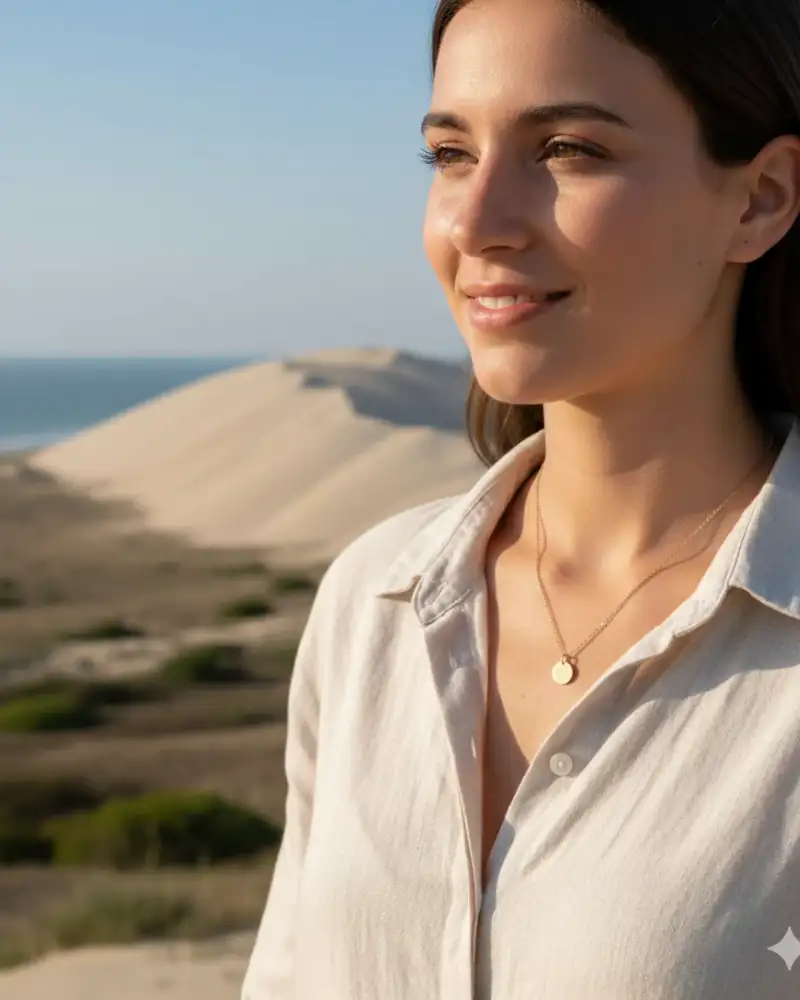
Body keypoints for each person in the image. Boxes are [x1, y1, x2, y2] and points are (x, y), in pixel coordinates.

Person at [242, 0, 800, 996]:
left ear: (757, 197)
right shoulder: (372, 600)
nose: (476, 222)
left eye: (567, 148)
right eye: (449, 155)